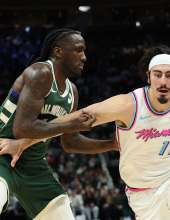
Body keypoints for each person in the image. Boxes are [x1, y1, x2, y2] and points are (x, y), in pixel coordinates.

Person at [0, 45, 170, 219]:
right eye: (158, 75)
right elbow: (72, 120)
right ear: (148, 77)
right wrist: (23, 142)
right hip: (142, 193)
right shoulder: (127, 105)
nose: (163, 81)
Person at [0, 28, 118, 220]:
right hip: (2, 154)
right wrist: (71, 124)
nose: (84, 57)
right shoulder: (40, 73)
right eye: (78, 50)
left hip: (34, 165)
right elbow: (22, 128)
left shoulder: (72, 92)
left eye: (84, 51)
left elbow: (70, 142)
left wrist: (111, 144)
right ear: (58, 52)